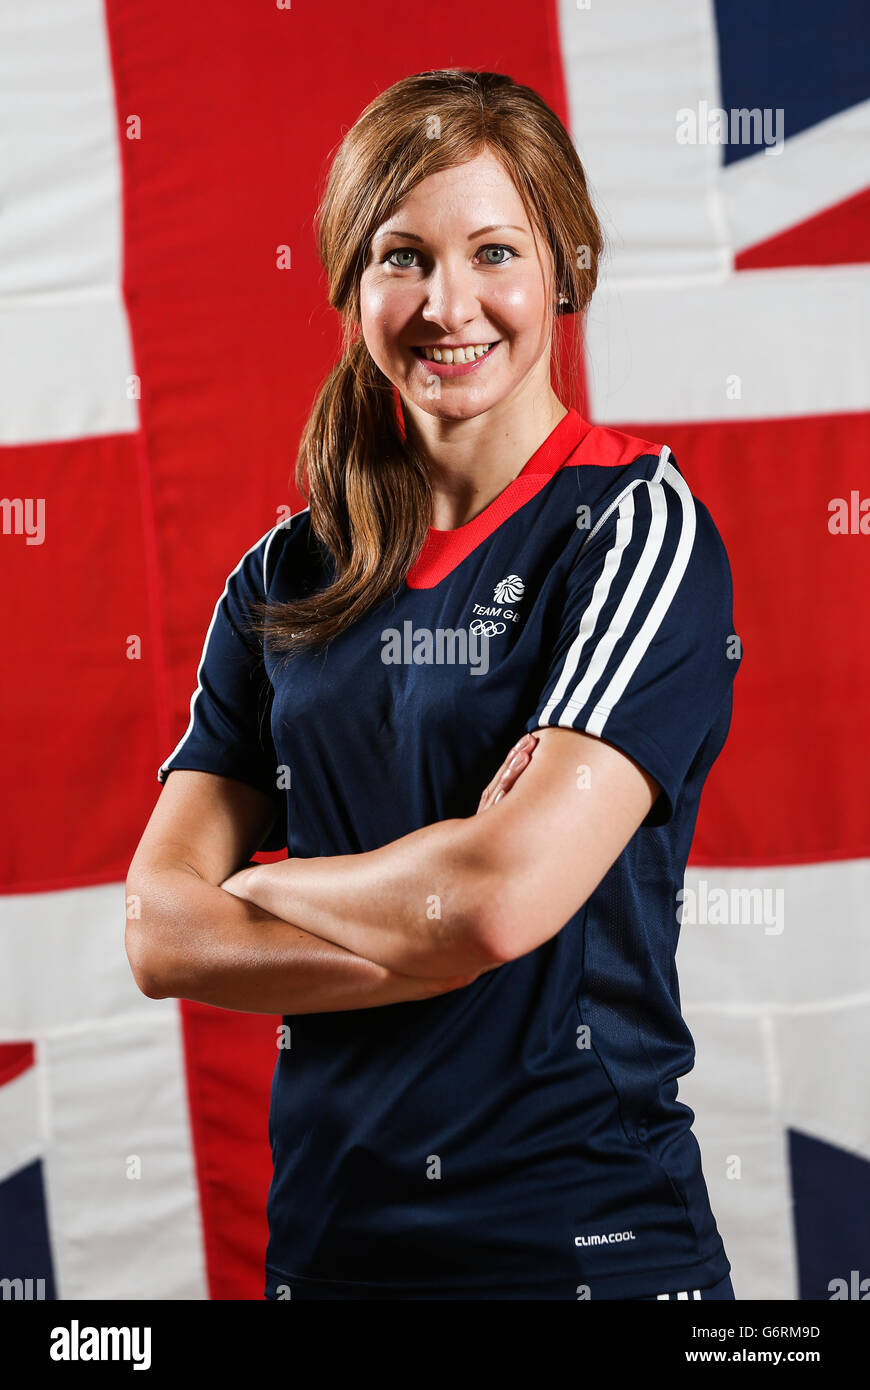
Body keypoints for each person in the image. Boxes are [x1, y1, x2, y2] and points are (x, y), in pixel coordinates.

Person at [126, 69, 741, 1301]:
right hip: (329, 1250)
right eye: (403, 257)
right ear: (352, 283)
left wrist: (265, 888)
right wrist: (440, 910)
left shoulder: (634, 531)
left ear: (567, 270)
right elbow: (158, 929)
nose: (447, 304)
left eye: (495, 251)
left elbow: (499, 905)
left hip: (582, 1246)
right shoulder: (280, 578)